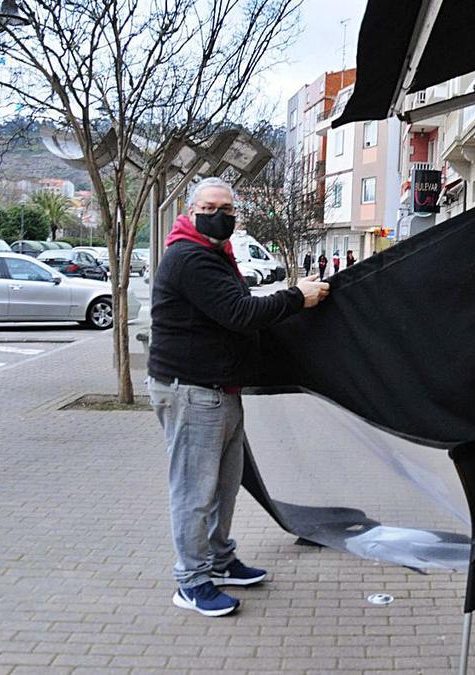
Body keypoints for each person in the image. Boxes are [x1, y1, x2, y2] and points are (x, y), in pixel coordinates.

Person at [147, 177, 330, 617]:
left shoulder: (215, 254)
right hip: (191, 391)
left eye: (229, 209)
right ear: (191, 212)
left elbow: (235, 308)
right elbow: (240, 313)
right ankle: (191, 582)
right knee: (195, 491)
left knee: (224, 486)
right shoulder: (190, 257)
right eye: (212, 207)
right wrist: (295, 297)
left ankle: (220, 560)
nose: (222, 215)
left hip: (219, 390)